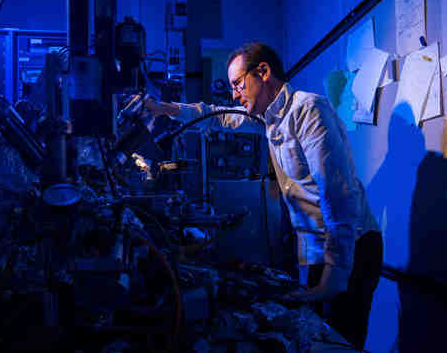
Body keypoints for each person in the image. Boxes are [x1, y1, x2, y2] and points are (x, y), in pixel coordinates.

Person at [143, 42, 382, 350]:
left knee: (337, 343)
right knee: (313, 337)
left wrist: (332, 280)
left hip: (352, 249)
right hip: (321, 250)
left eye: (238, 85)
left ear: (263, 72)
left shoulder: (307, 110)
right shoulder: (268, 118)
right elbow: (221, 115)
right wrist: (167, 109)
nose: (234, 94)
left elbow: (339, 200)